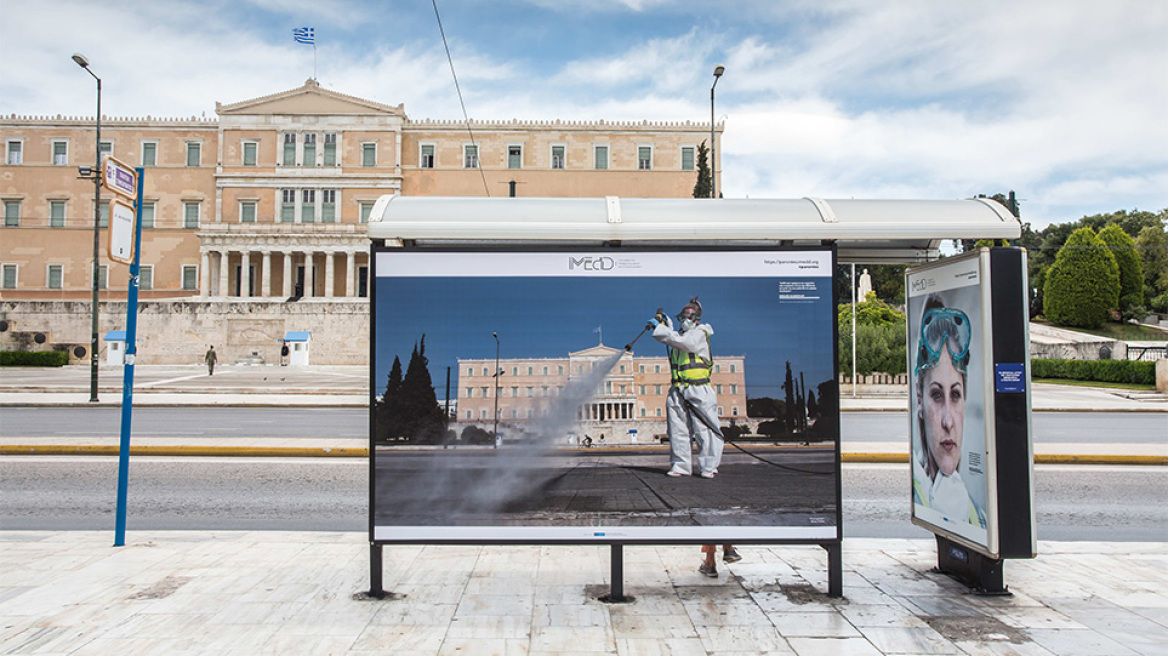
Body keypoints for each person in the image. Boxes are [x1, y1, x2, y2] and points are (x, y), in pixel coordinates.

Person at [912, 294, 986, 528]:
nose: (948, 421)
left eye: (955, 395)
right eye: (936, 395)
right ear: (919, 398)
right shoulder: (918, 490)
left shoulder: (979, 517)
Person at [651, 297, 723, 478]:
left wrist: (661, 329)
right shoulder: (680, 336)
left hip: (699, 389)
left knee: (705, 430)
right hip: (678, 389)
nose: (685, 319)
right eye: (682, 315)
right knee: (677, 430)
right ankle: (680, 466)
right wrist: (666, 324)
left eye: (689, 315)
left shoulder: (700, 333)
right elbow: (676, 338)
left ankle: (708, 467)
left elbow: (684, 342)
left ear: (697, 318)